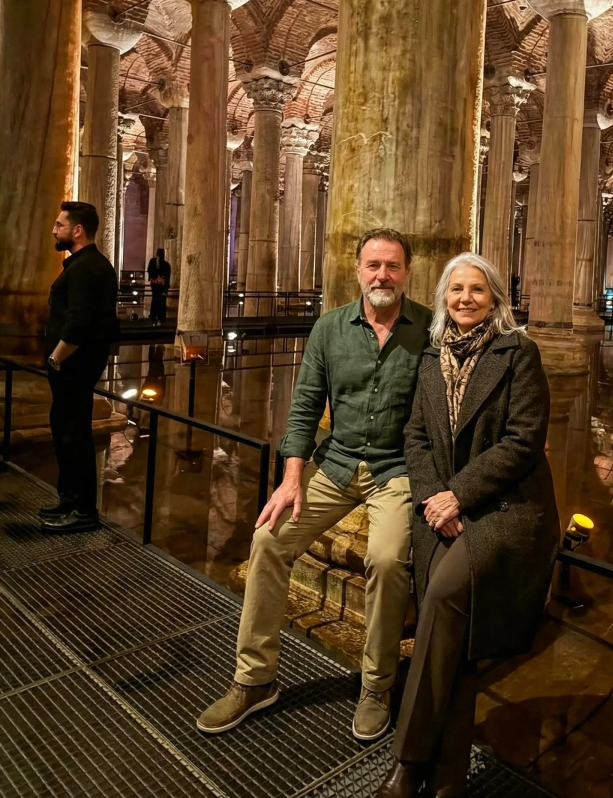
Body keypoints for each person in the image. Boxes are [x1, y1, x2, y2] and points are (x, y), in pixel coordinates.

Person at [198, 229, 433, 742]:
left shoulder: (429, 330)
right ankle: (255, 678)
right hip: (338, 464)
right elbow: (304, 406)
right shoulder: (329, 328)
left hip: (396, 470)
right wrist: (292, 478)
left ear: (408, 273)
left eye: (392, 266)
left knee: (387, 559)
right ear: (357, 270)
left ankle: (376, 685)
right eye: (374, 265)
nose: (382, 276)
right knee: (268, 539)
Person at [377, 253, 559, 798]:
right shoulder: (432, 355)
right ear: (443, 298)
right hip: (445, 507)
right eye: (456, 289)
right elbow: (415, 436)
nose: (465, 298)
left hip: (505, 508)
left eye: (477, 289)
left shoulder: (518, 353)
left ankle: (408, 761)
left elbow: (524, 441)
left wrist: (459, 495)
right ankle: (448, 777)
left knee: (440, 598)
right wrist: (435, 497)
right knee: (450, 640)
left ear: (495, 297)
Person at [41, 201, 120, 535]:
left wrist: (56, 357)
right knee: (65, 431)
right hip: (72, 367)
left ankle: (84, 510)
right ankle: (69, 499)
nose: (54, 231)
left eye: (59, 225)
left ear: (77, 230)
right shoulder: (83, 264)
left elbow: (78, 323)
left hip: (74, 366)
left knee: (75, 436)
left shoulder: (87, 268)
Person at [146, 247, 171, 325]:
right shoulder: (165, 264)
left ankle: (156, 318)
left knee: (157, 301)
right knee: (160, 301)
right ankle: (159, 318)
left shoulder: (155, 262)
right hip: (161, 287)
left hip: (159, 287)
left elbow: (149, 271)